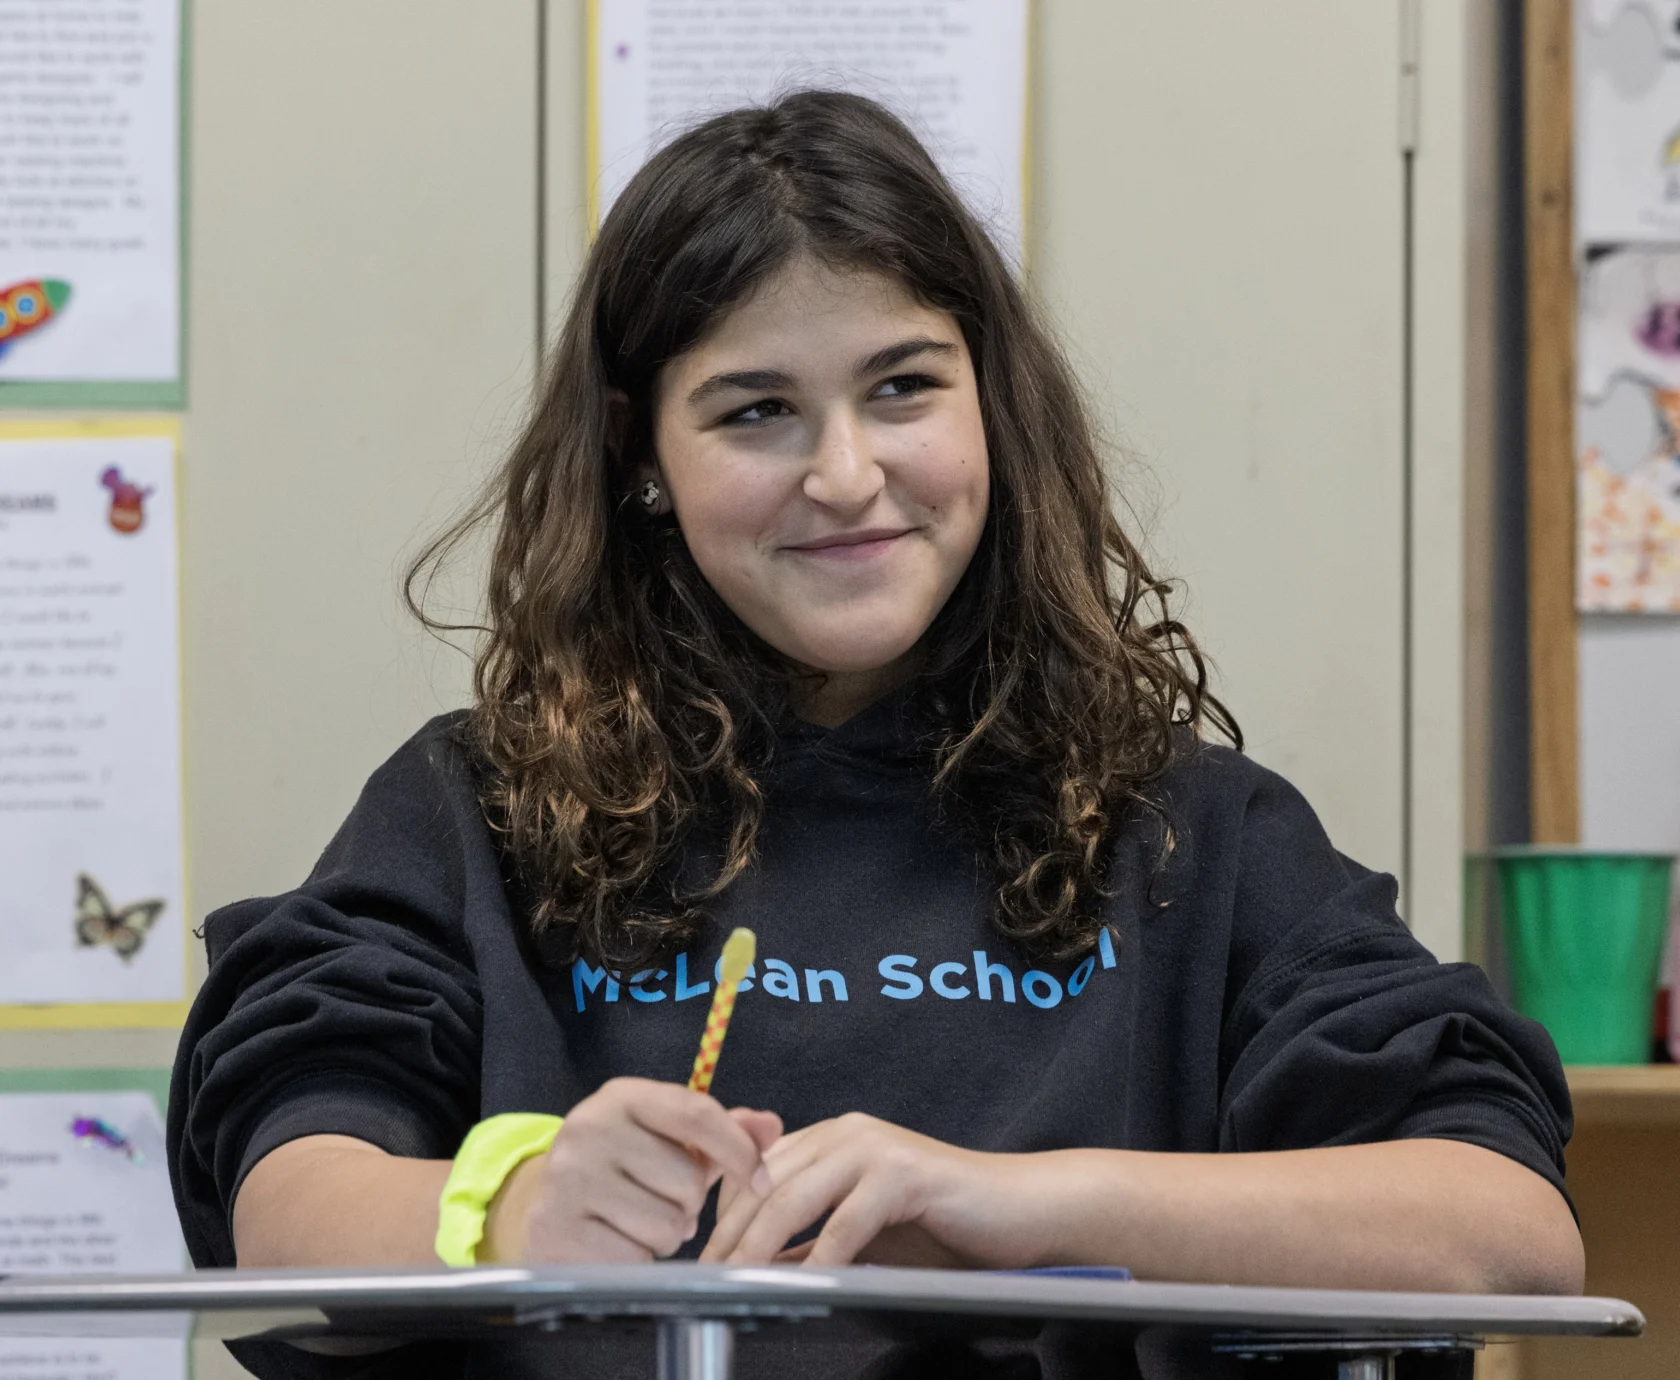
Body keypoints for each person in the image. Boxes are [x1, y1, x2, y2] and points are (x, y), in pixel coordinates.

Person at [168, 91, 1582, 1380]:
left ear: (991, 404)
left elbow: (1505, 1229)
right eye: (757, 411)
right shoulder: (472, 806)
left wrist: (1008, 1201)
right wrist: (510, 1209)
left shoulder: (1189, 830)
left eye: (904, 387)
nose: (848, 477)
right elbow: (289, 1211)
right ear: (638, 455)